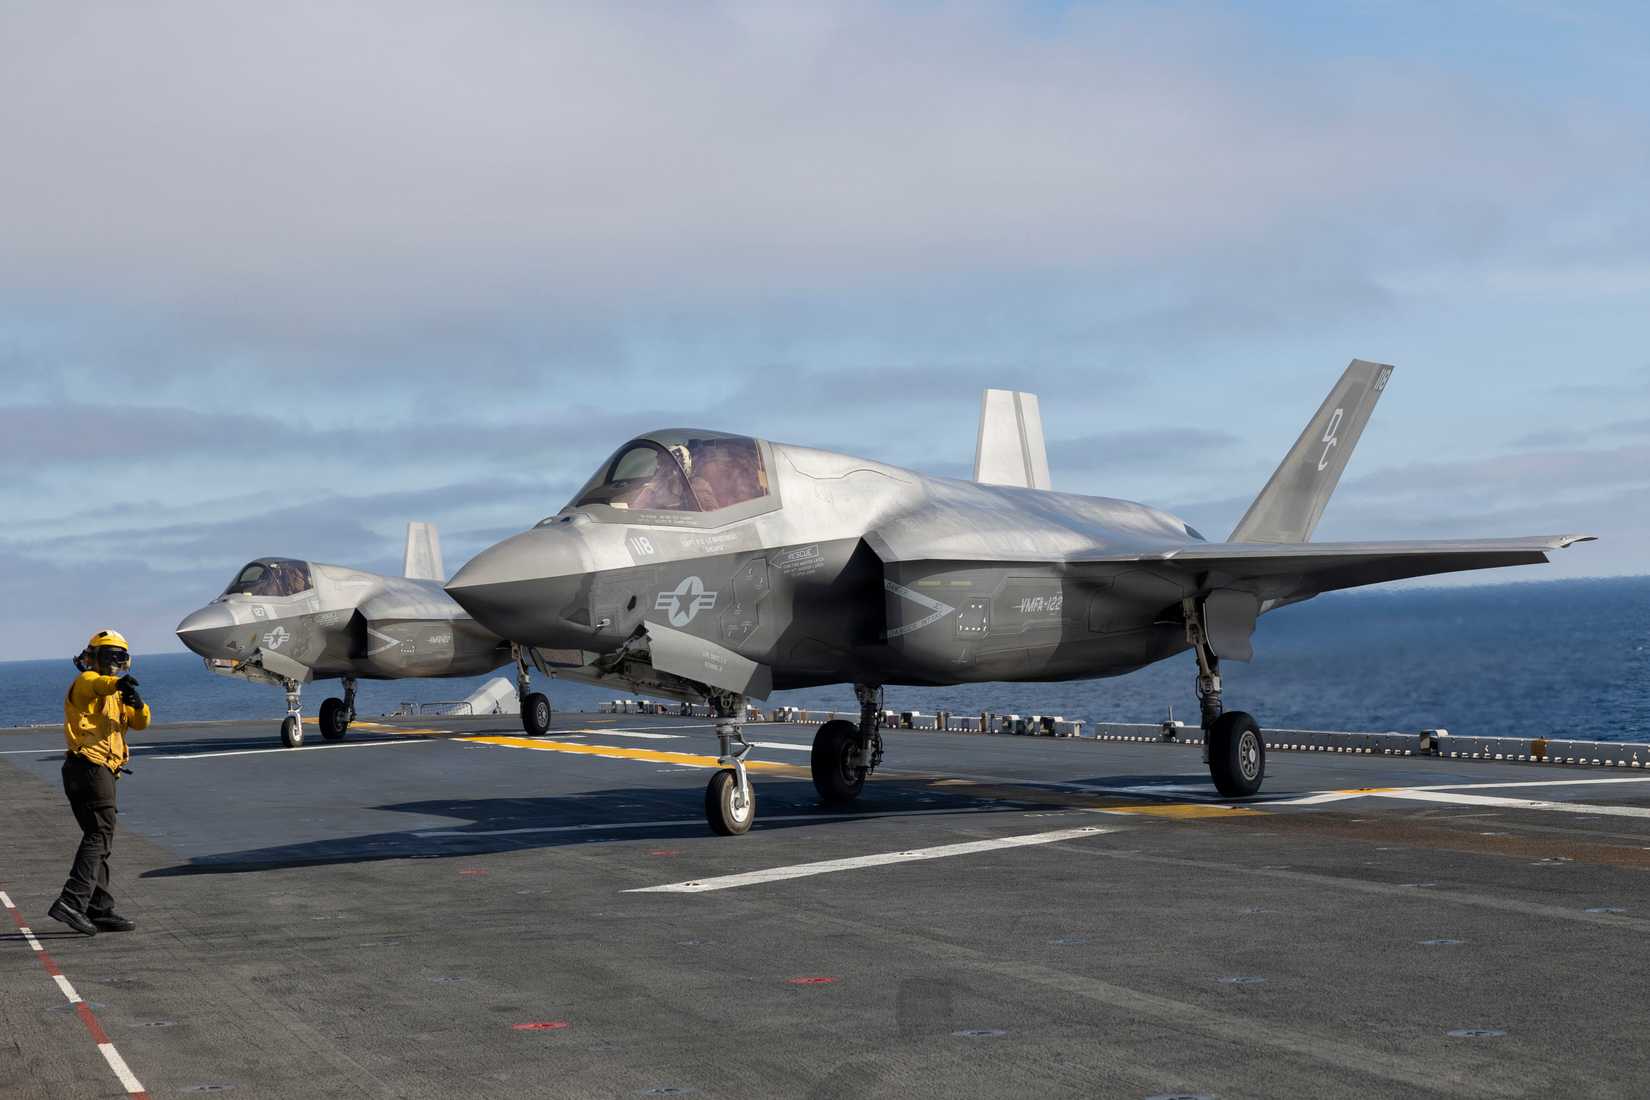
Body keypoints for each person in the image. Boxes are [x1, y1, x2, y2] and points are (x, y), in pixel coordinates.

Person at [48, 629, 149, 936]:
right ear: (93, 658)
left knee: (99, 836)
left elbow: (141, 723)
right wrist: (117, 683)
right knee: (99, 835)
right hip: (91, 768)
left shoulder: (117, 693)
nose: (113, 664)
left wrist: (136, 701)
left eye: (118, 659)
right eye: (109, 658)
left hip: (93, 771)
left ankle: (99, 907)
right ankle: (72, 901)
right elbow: (97, 684)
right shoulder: (87, 682)